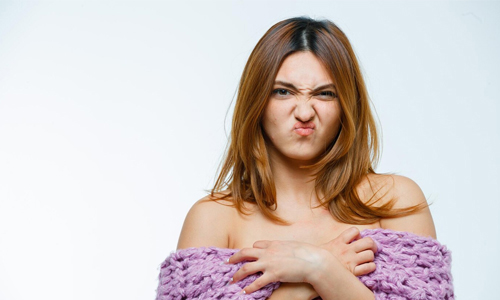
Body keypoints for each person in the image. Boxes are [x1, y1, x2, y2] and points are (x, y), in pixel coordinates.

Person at [176, 17, 438, 300]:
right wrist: (316, 268)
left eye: (324, 94)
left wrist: (321, 268)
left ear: (347, 105)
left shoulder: (394, 203)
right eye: (283, 91)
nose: (304, 112)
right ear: (257, 101)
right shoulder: (214, 218)